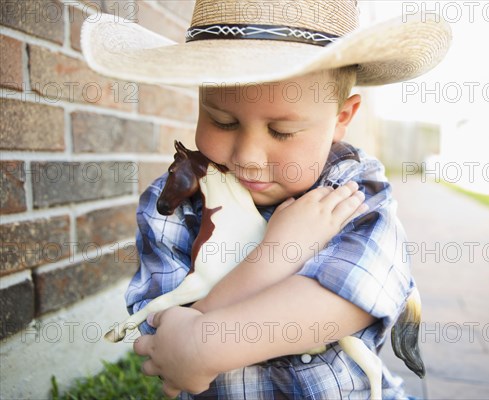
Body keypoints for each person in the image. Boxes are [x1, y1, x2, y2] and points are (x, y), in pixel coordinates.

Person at [82, 1, 451, 398]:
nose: (248, 157)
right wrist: (272, 257)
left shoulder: (349, 189)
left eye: (282, 131)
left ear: (342, 118)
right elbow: (164, 334)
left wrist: (202, 344)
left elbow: (357, 295)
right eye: (223, 121)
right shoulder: (175, 203)